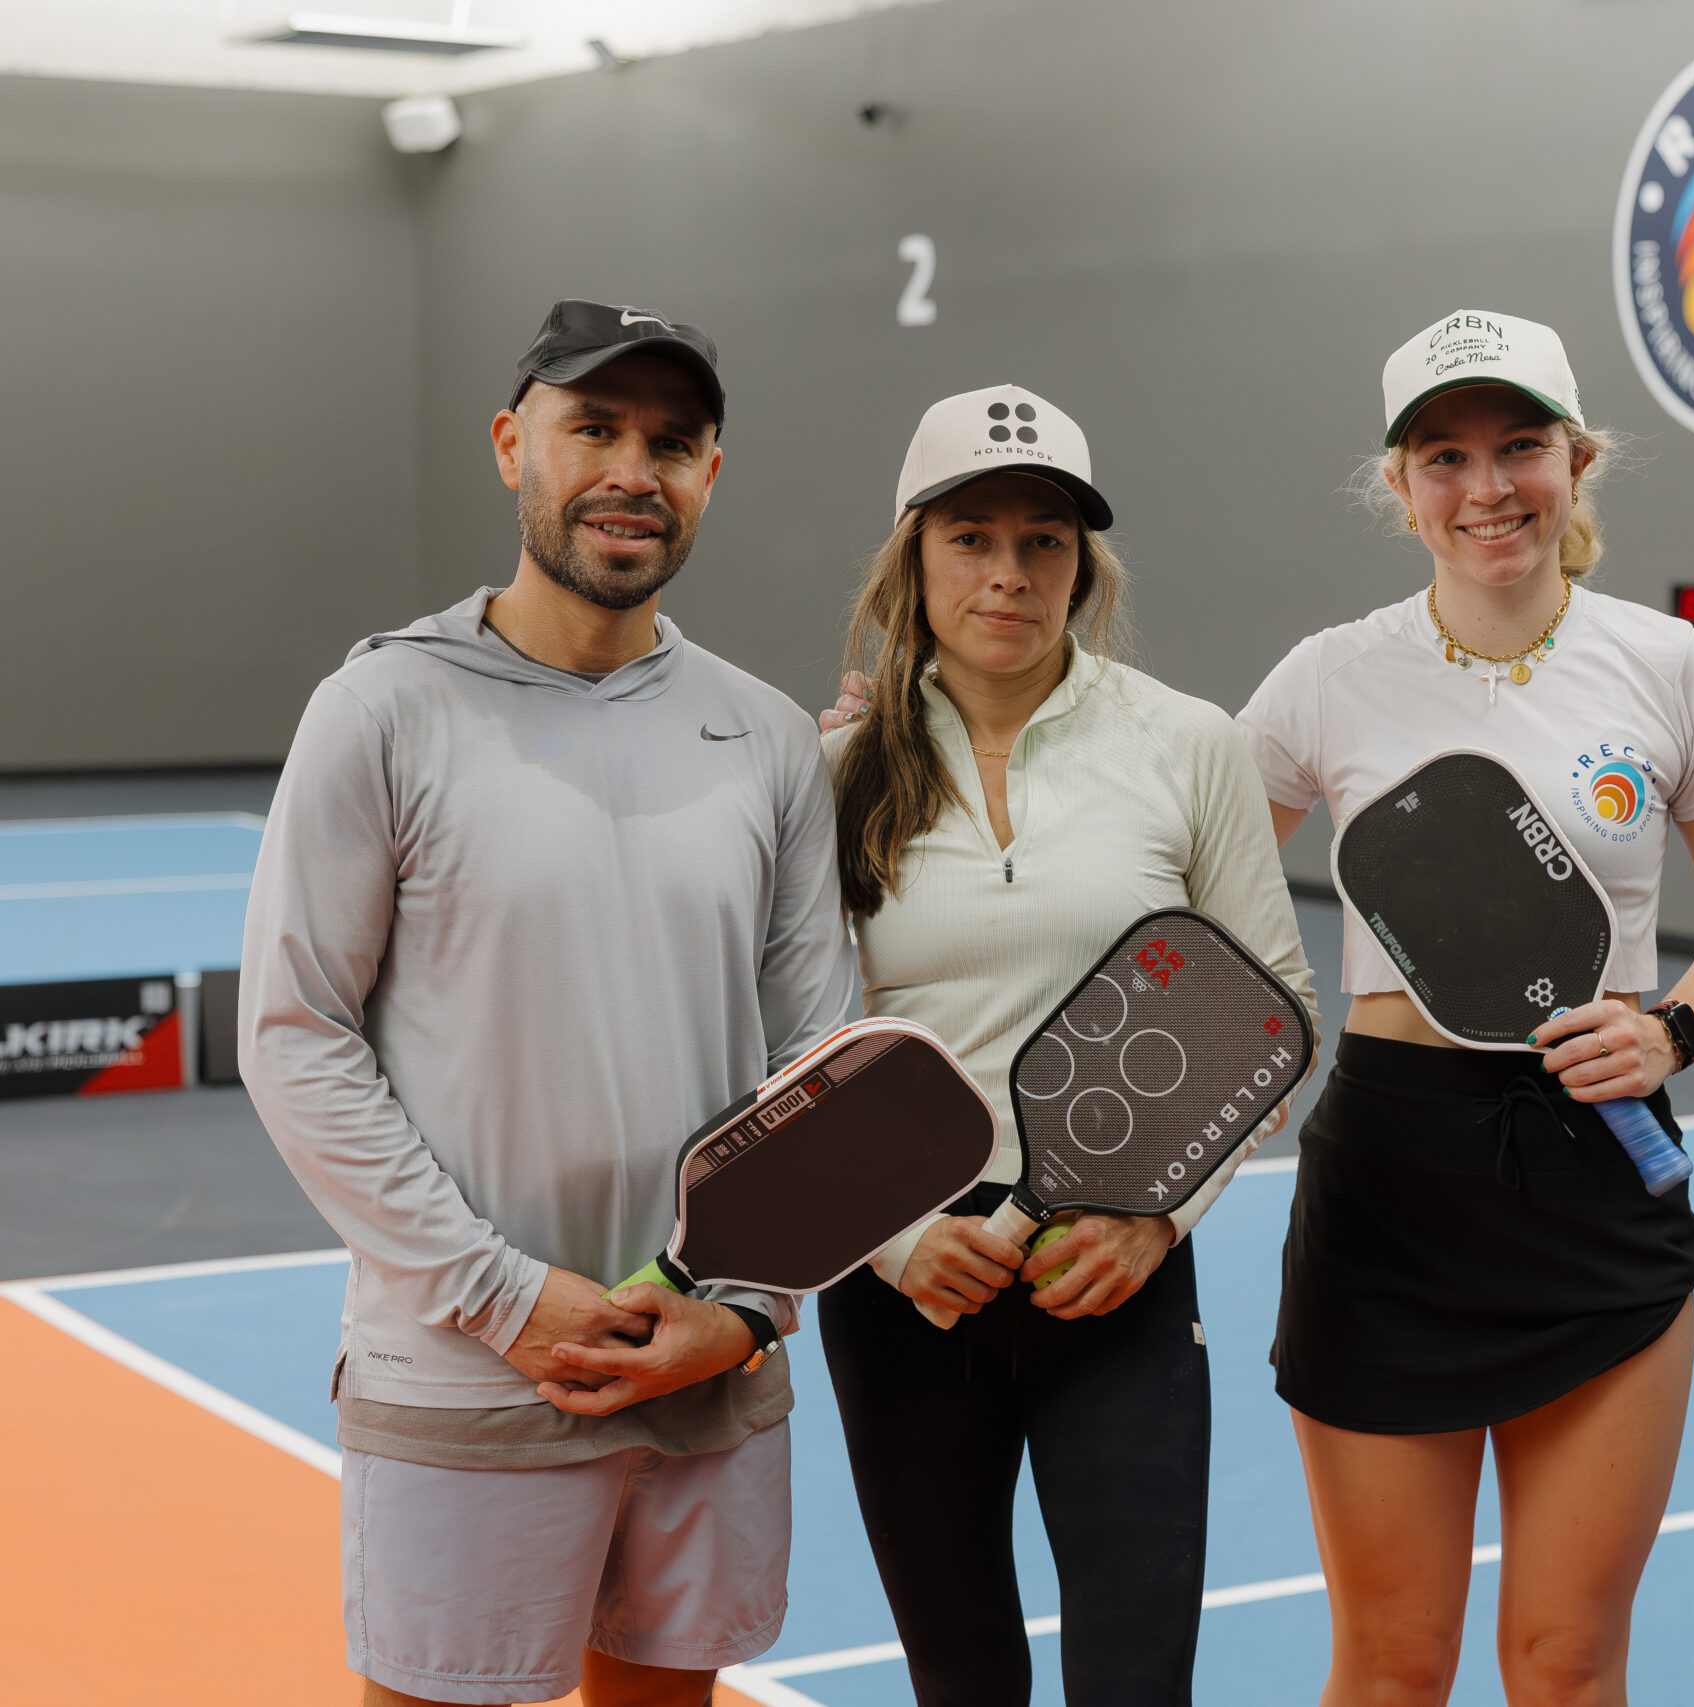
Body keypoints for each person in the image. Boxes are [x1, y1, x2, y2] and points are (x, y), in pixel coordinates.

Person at [240, 300, 854, 1707]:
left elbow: (821, 1060)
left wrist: (745, 1305)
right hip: (471, 1368)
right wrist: (502, 1298)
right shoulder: (383, 709)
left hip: (701, 1366)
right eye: (595, 429)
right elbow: (294, 1037)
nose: (634, 469)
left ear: (712, 473)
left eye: (674, 440)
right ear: (516, 445)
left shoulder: (764, 735)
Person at [1237, 311, 1694, 1705]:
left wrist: (1673, 1029)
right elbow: (1178, 873)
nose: (1487, 487)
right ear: (1400, 486)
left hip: (1597, 1168)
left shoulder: (1673, 667)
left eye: (1519, 447)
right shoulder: (1327, 676)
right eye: (1445, 456)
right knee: (1393, 1664)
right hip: (1389, 1185)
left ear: (1577, 458)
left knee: (1564, 1662)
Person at [815, 385, 1318, 1706]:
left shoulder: (1187, 744)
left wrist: (1158, 1217)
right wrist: (896, 1240)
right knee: (962, 1679)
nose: (1009, 573)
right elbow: (791, 1041)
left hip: (1118, 1279)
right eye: (971, 536)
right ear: (913, 554)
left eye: (1045, 541)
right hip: (907, 1288)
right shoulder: (830, 774)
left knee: (1138, 1682)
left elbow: (1277, 1008)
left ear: (1083, 564)